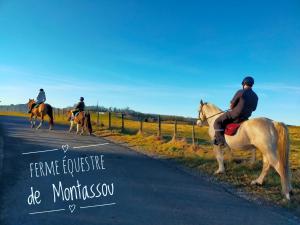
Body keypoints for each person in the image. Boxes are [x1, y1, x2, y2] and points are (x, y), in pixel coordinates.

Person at [213, 76, 258, 146]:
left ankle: (220, 141)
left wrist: (234, 107)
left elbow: (231, 105)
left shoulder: (241, 92)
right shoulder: (256, 96)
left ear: (244, 84)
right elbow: (254, 109)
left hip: (235, 115)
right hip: (245, 117)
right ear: (252, 85)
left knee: (217, 121)